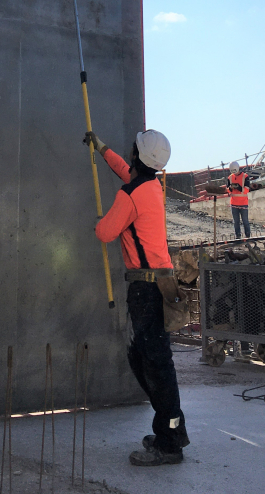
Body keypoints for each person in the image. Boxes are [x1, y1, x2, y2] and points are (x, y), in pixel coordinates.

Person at [85, 128, 188, 467]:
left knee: (156, 364)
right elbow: (125, 170)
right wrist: (101, 148)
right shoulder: (150, 187)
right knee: (146, 359)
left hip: (147, 289)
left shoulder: (130, 195)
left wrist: (100, 220)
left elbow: (105, 232)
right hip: (160, 283)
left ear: (137, 156)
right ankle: (168, 431)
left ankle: (170, 441)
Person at [205, 160, 260, 240]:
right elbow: (228, 190)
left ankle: (247, 236)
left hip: (243, 203)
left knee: (245, 221)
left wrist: (239, 187)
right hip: (234, 203)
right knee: (236, 222)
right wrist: (230, 188)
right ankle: (238, 236)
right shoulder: (230, 177)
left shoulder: (245, 176)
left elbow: (247, 189)